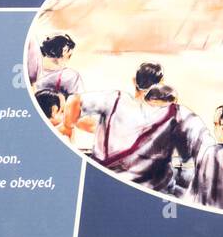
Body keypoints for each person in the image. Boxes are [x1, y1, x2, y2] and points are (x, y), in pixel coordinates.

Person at [76, 62, 212, 194]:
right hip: (151, 191)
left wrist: (70, 126)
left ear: (134, 80)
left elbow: (74, 103)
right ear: (162, 83)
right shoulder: (176, 113)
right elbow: (207, 149)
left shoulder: (115, 100)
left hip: (104, 183)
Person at [31, 34, 82, 98]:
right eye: (69, 55)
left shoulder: (32, 70)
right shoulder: (70, 75)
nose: (68, 59)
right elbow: (77, 101)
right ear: (64, 51)